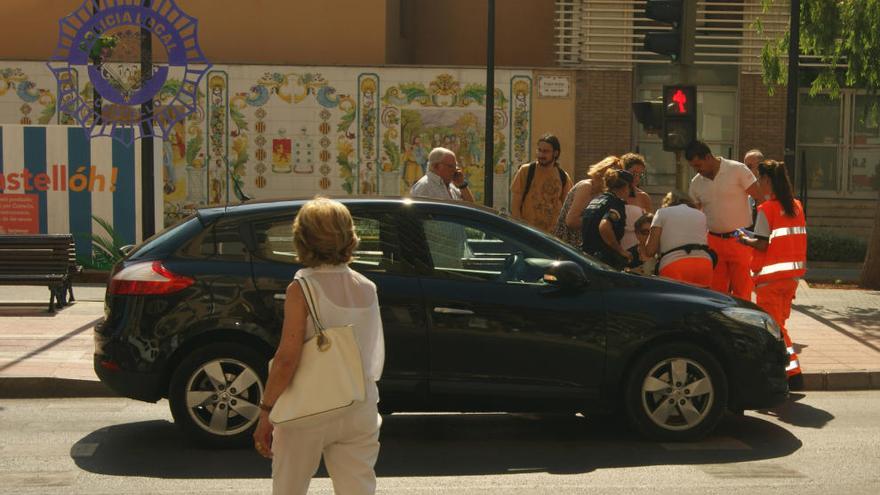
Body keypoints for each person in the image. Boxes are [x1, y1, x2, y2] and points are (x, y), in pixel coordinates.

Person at [253, 197, 386, 495]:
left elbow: (288, 358)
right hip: (358, 403)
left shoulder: (302, 287)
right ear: (349, 236)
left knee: (290, 488)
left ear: (303, 238)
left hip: (308, 409)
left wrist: (266, 411)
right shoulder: (367, 287)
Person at [738, 160, 806, 389]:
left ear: (767, 180)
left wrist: (744, 239)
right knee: (780, 326)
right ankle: (785, 372)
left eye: (759, 179)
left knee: (775, 329)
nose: (758, 183)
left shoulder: (766, 209)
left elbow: (762, 244)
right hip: (791, 278)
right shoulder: (796, 206)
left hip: (769, 279)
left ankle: (793, 374)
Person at [686, 140, 762, 299]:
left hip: (740, 240)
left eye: (698, 165)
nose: (697, 170)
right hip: (713, 241)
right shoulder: (696, 183)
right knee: (716, 295)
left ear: (708, 157)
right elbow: (694, 215)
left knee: (743, 293)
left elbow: (760, 198)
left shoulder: (737, 170)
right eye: (693, 167)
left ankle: (743, 323)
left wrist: (762, 233)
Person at [645, 191, 714, 288]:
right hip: (704, 264)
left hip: (674, 263)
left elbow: (650, 250)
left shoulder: (661, 213)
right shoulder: (700, 214)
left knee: (675, 302)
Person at [553, 156, 622, 248]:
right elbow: (571, 221)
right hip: (569, 245)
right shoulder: (587, 187)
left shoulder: (603, 192)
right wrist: (598, 221)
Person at [510, 133, 573, 233]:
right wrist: (521, 230)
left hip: (552, 237)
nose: (541, 155)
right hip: (528, 233)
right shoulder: (525, 171)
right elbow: (515, 206)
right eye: (539, 150)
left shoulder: (563, 176)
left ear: (555, 153)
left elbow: (567, 209)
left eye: (545, 151)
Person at [581, 168, 634, 270]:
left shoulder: (596, 200)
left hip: (586, 258)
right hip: (602, 262)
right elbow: (604, 226)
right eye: (630, 187)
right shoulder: (616, 203)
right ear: (624, 187)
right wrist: (620, 250)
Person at [409, 147, 474, 202]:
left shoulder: (451, 186)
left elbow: (471, 209)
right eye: (451, 166)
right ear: (435, 166)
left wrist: (461, 184)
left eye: (456, 166)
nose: (455, 170)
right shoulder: (424, 187)